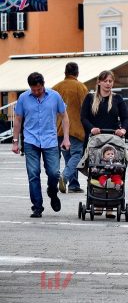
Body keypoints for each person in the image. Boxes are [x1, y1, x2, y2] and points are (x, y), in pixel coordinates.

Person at [11, 72, 71, 218]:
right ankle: (37, 206)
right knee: (33, 174)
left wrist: (66, 138)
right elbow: (18, 120)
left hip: (50, 140)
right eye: (34, 90)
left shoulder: (55, 96)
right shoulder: (23, 98)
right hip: (30, 141)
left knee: (53, 172)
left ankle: (52, 192)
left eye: (39, 89)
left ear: (43, 85)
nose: (37, 92)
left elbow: (64, 117)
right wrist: (15, 141)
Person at [52, 62, 88, 194]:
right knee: (77, 155)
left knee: (68, 156)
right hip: (76, 128)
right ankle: (65, 177)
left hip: (59, 128)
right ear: (77, 73)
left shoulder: (56, 88)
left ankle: (73, 185)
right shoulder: (81, 87)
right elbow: (87, 108)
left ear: (65, 72)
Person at [81, 70, 128, 141]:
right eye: (105, 81)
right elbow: (84, 118)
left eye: (110, 81)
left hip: (113, 138)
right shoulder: (89, 98)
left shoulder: (117, 98)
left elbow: (126, 118)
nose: (108, 83)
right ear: (99, 82)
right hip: (94, 138)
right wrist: (91, 128)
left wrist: (123, 130)